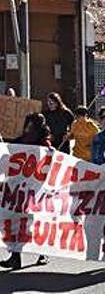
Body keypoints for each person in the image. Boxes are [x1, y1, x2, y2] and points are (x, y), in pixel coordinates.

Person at [0, 113, 52, 270]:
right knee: (16, 221)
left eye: (31, 125)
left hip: (35, 190)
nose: (28, 128)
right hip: (19, 189)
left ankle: (43, 253)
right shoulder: (23, 140)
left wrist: (50, 151)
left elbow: (48, 155)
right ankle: (15, 257)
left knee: (34, 221)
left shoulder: (43, 142)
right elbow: (11, 149)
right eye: (27, 124)